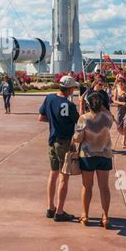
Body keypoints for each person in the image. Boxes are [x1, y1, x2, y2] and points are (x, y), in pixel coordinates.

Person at [38, 75, 79, 222]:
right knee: (64, 176)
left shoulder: (49, 98)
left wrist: (55, 120)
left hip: (52, 140)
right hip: (64, 142)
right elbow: (79, 122)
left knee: (53, 174)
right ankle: (60, 212)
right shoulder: (70, 105)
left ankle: (50, 207)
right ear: (69, 89)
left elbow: (41, 117)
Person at [73, 91, 114, 228]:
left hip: (88, 156)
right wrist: (102, 106)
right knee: (104, 187)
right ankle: (106, 216)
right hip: (104, 155)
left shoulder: (83, 118)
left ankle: (85, 215)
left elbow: (77, 138)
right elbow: (109, 117)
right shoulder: (108, 117)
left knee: (87, 186)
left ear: (88, 105)